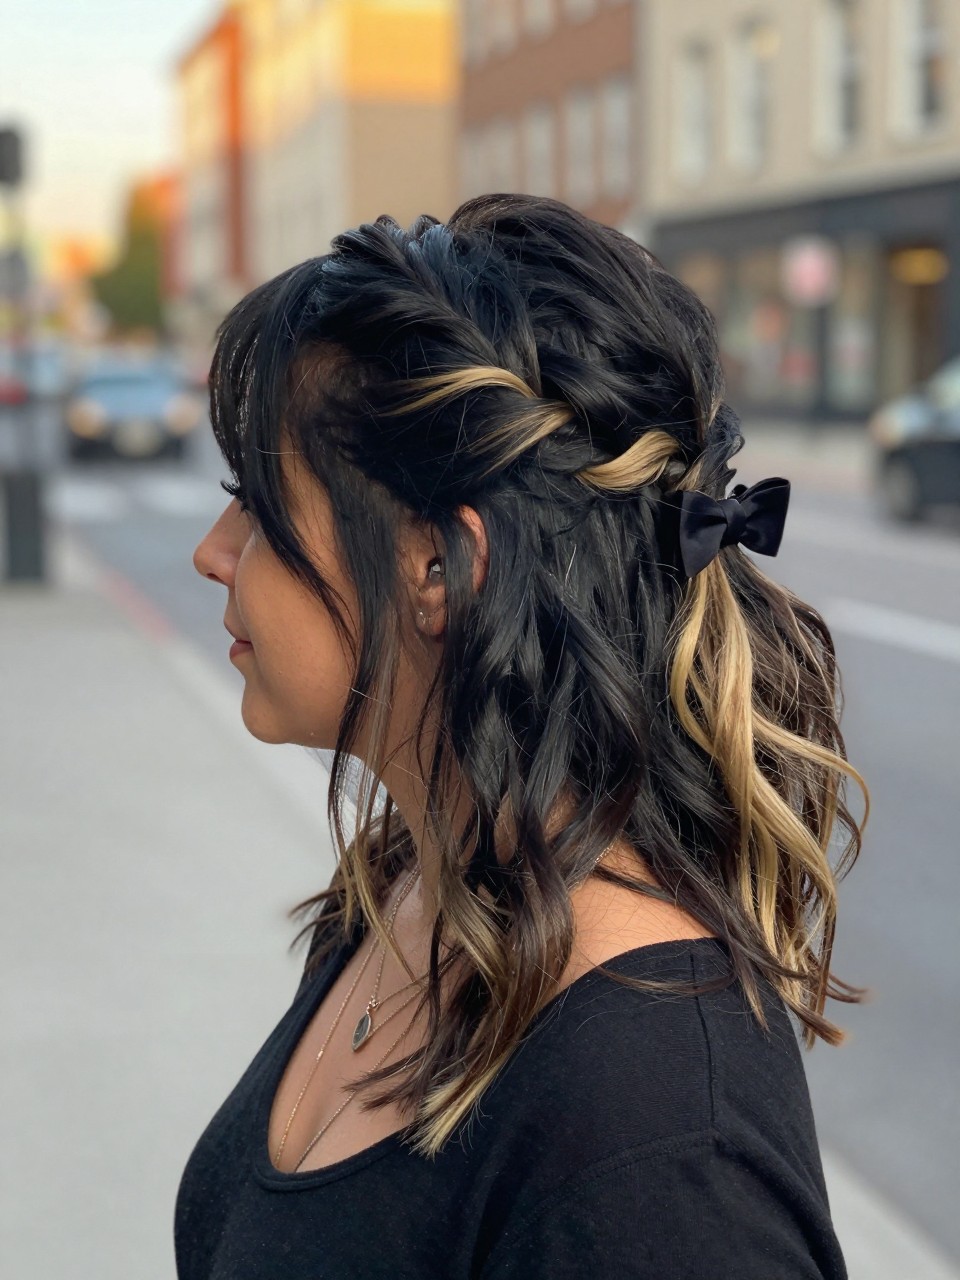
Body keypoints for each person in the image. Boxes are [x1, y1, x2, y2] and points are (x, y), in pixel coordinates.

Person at [181, 193, 869, 1278]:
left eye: (259, 504)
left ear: (441, 567)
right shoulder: (406, 888)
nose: (212, 552)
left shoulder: (659, 1142)